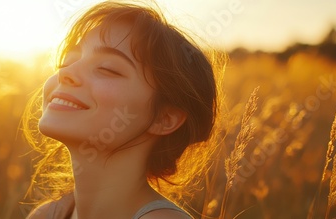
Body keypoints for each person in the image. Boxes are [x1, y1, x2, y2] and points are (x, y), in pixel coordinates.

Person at [23, 1, 221, 218]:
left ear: (165, 118)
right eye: (68, 61)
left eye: (107, 69)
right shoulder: (48, 214)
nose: (66, 73)